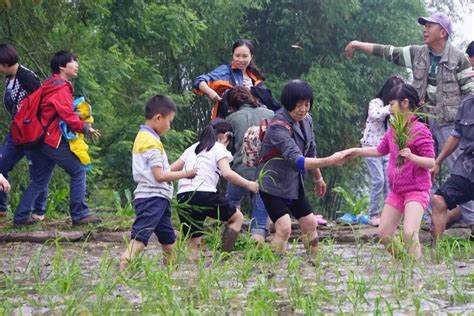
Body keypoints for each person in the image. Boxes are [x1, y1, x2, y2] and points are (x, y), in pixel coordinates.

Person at [344, 12, 474, 222]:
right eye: (424, 26)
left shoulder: (458, 59)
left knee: (461, 172)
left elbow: (470, 95)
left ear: (442, 32)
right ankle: (423, 219)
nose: (424, 29)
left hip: (449, 123)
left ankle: (472, 222)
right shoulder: (418, 53)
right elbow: (388, 52)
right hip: (421, 121)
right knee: (413, 165)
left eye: (429, 26)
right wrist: (359, 44)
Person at [341, 84, 435, 260]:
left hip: (416, 190)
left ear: (405, 103)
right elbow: (379, 150)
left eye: (391, 104)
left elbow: (431, 162)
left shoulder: (420, 130)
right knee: (384, 234)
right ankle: (404, 264)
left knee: (409, 234)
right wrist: (357, 151)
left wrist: (412, 157)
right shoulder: (393, 130)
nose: (389, 108)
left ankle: (416, 273)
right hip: (397, 191)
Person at [13, 50, 101, 226]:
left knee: (39, 179)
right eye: (73, 61)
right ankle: (80, 214)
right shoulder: (60, 86)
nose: (76, 65)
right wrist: (85, 127)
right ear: (62, 66)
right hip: (50, 139)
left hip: (38, 138)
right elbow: (66, 114)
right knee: (78, 170)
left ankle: (21, 217)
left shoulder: (50, 84)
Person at [257, 79, 344, 255]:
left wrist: (318, 177)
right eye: (298, 105)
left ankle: (315, 262)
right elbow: (297, 160)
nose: (303, 109)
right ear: (288, 104)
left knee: (310, 223)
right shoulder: (277, 127)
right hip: (272, 185)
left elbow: (311, 150)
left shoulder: (307, 120)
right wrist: (330, 160)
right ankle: (271, 268)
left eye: (306, 104)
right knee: (284, 227)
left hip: (294, 184)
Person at [120, 95, 196, 270]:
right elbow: (160, 176)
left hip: (159, 197)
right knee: (140, 238)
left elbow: (162, 171)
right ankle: (123, 267)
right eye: (169, 121)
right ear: (158, 118)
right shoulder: (151, 143)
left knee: (168, 241)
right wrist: (186, 173)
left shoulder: (145, 137)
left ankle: (170, 275)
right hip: (152, 197)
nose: (169, 126)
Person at [175, 119, 258, 261]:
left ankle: (191, 276)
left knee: (193, 240)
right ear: (226, 136)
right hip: (204, 194)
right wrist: (249, 184)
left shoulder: (192, 148)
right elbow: (227, 173)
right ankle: (223, 259)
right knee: (237, 218)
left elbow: (170, 169)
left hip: (182, 196)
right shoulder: (219, 147)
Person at [0, 43, 47, 218]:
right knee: (2, 163)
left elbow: (42, 104)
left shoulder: (27, 77)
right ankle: (1, 207)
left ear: (4, 63)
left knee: (38, 170)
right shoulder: (9, 78)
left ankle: (38, 210)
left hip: (31, 131)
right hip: (16, 130)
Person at [224, 87, 273, 242]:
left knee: (231, 204)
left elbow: (228, 148)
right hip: (265, 173)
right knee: (260, 216)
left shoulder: (231, 119)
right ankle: (257, 246)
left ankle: (229, 241)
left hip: (239, 172)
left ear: (232, 104)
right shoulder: (270, 114)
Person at [193, 39, 278, 119]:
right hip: (229, 120)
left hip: (254, 121)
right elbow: (199, 81)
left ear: (251, 57)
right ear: (232, 55)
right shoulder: (226, 71)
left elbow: (272, 104)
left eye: (245, 56)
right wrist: (211, 93)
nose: (241, 60)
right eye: (237, 56)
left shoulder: (255, 77)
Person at [360, 76, 404, 226]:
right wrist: (390, 108)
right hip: (370, 146)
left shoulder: (396, 109)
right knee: (378, 180)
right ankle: (373, 214)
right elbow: (374, 114)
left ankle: (388, 215)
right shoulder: (376, 103)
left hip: (387, 148)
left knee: (390, 181)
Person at [431, 95, 474, 240]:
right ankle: (437, 250)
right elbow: (456, 135)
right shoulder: (466, 104)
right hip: (467, 166)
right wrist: (438, 161)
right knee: (439, 200)